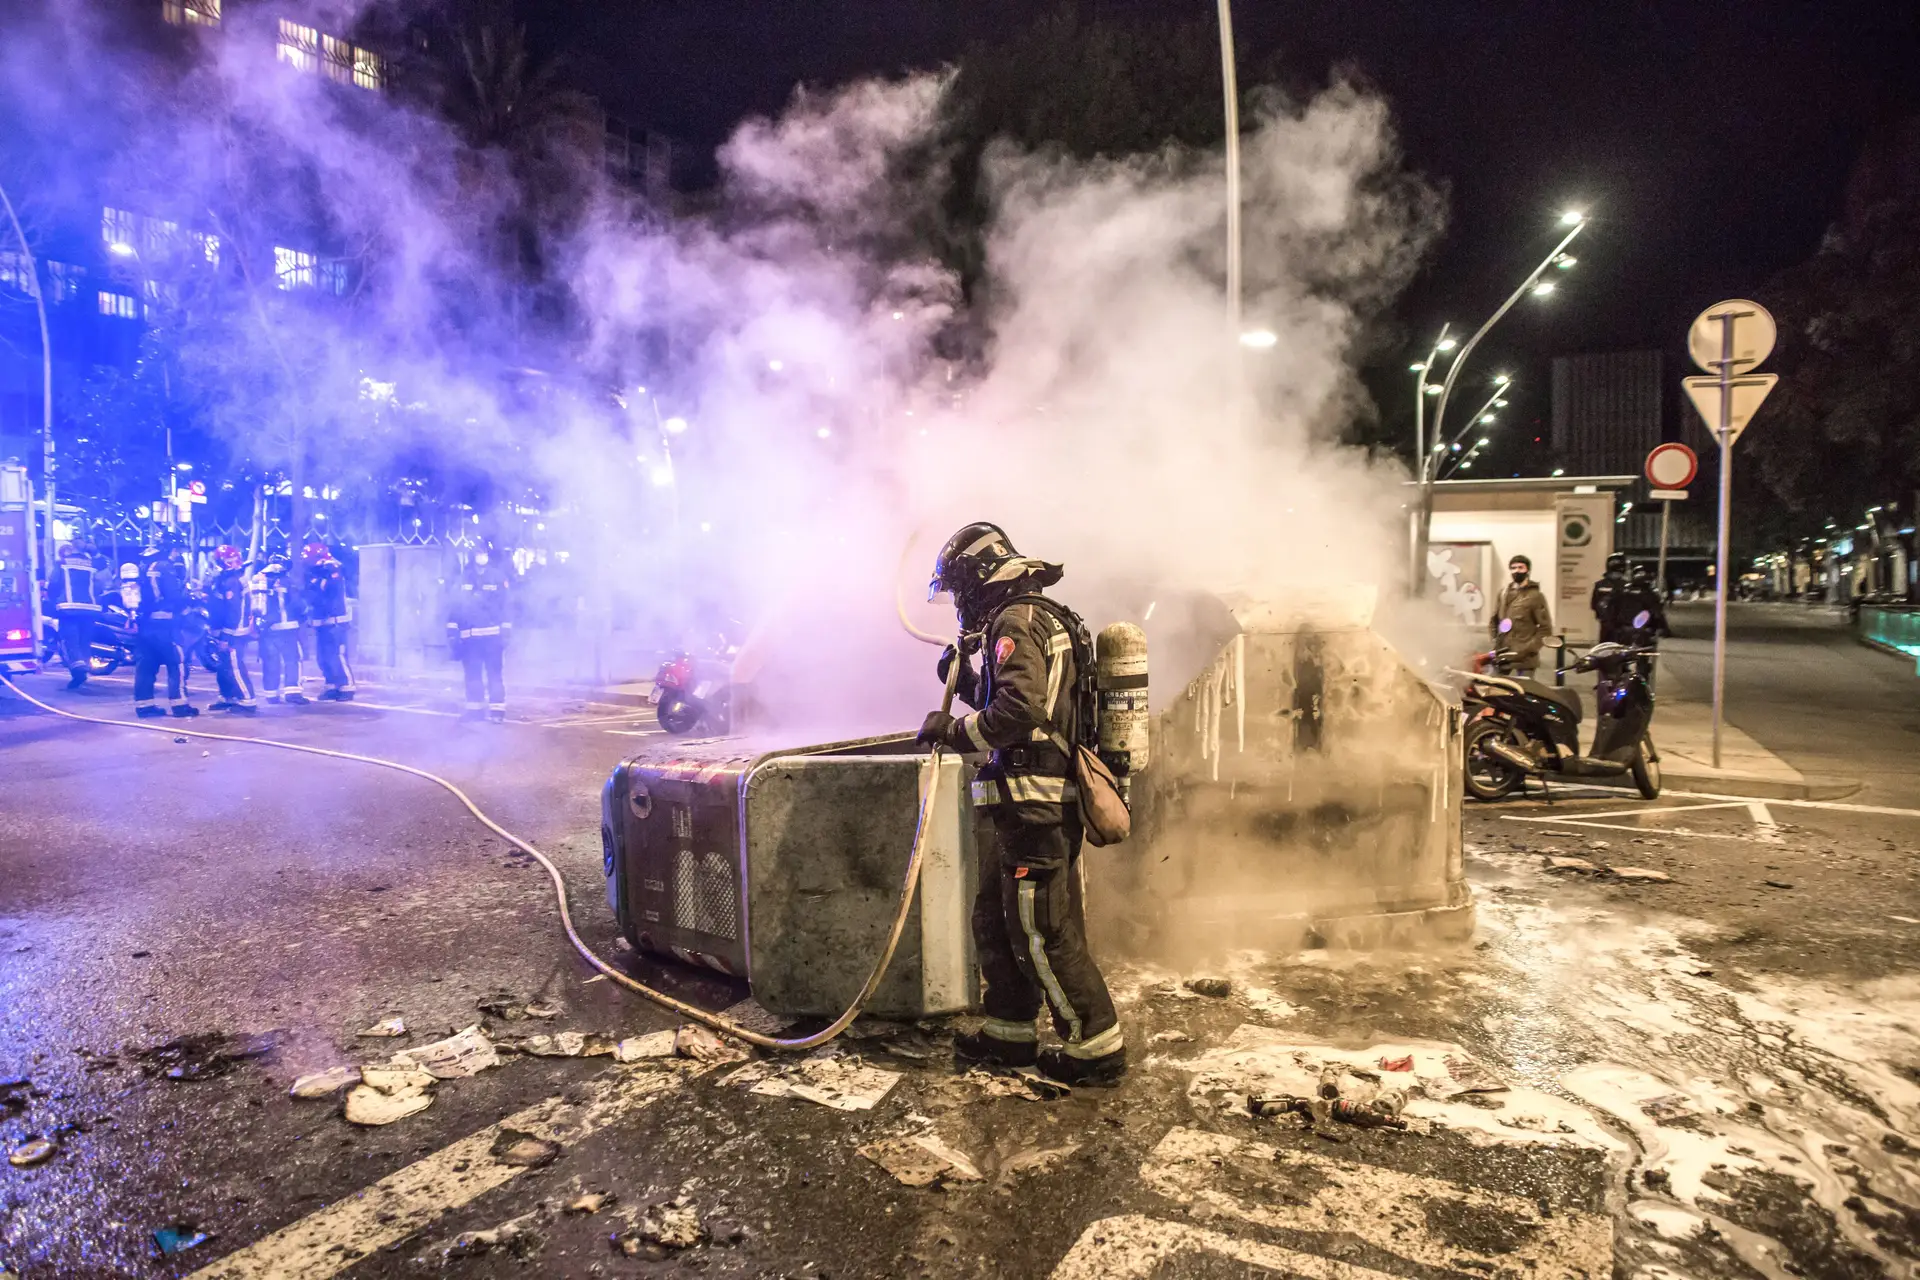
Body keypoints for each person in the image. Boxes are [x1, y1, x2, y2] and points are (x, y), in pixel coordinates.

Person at [917, 522, 1125, 1086]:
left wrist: (955, 732)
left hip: (1036, 807)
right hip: (1020, 806)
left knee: (1041, 928)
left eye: (959, 591)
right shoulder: (1040, 617)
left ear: (980, 579)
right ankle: (1008, 1032)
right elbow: (1032, 703)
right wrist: (965, 686)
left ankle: (1095, 1047)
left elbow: (1022, 711)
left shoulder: (1016, 619)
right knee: (998, 918)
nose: (960, 604)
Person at [132, 536, 197, 719]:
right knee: (177, 663)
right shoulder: (165, 566)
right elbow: (173, 596)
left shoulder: (145, 565)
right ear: (171, 549)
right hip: (165, 624)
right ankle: (180, 705)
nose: (178, 554)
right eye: (177, 550)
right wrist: (190, 601)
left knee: (146, 666)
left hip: (146, 624)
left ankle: (144, 706)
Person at [446, 545, 511, 723]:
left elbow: (506, 605)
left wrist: (506, 630)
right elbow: (455, 607)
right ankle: (475, 711)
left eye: (483, 553)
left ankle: (497, 712)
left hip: (492, 637)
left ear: (488, 556)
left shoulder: (497, 577)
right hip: (470, 639)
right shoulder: (463, 579)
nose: (480, 556)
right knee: (473, 676)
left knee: (494, 675)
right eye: (477, 553)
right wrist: (452, 632)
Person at [203, 545, 259, 714]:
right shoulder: (226, 579)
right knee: (224, 665)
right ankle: (228, 697)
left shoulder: (232, 581)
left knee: (234, 666)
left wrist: (226, 636)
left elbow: (233, 611)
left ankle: (247, 700)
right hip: (224, 630)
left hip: (234, 632)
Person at [302, 541, 355, 701]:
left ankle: (346, 687)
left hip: (336, 621)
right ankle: (332, 685)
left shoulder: (332, 568)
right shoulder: (316, 571)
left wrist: (317, 583)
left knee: (337, 655)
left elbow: (328, 591)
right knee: (323, 657)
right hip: (322, 622)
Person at [47, 537, 102, 690]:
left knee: (71, 641)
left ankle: (78, 669)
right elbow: (100, 585)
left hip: (69, 609)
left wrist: (54, 600)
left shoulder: (63, 563)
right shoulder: (91, 564)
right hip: (90, 609)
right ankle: (83, 666)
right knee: (84, 640)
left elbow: (54, 584)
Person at [1491, 553, 1554, 677]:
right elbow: (1494, 621)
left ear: (1528, 570)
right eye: (1513, 568)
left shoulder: (1535, 596)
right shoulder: (1503, 594)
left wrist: (1529, 649)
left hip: (1525, 658)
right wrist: (1494, 641)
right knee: (1496, 689)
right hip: (1503, 653)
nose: (1516, 571)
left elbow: (1545, 629)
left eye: (1521, 568)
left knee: (1526, 691)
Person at [258, 558, 307, 704]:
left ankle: (271, 694)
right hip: (288, 629)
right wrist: (303, 617)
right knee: (292, 660)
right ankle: (293, 693)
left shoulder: (261, 581)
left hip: (268, 630)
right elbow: (299, 605)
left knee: (270, 662)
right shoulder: (288, 582)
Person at [1591, 553, 1628, 644]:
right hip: (1619, 626)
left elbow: (1594, 604)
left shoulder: (1600, 585)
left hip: (1608, 625)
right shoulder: (1626, 585)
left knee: (1604, 649)